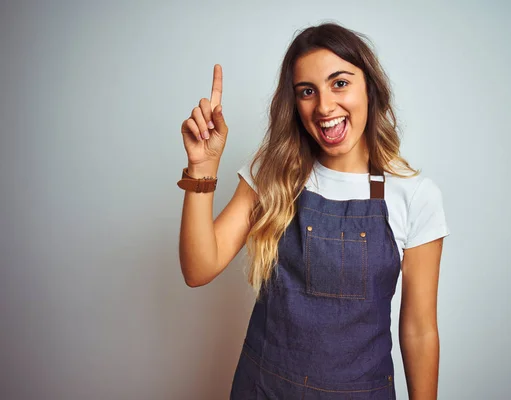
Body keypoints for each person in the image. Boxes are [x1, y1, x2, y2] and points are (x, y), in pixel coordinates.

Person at [178, 22, 449, 400]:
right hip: (264, 390)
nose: (324, 106)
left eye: (340, 83)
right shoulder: (270, 175)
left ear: (369, 87)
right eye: (307, 91)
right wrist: (202, 168)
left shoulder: (415, 195)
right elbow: (198, 269)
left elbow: (419, 329)